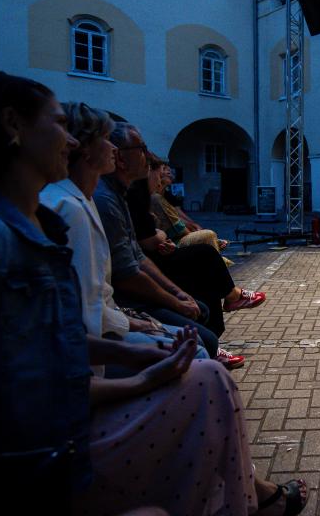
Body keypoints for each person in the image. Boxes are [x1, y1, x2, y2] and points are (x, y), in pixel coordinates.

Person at [0, 71, 307, 516]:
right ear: (13, 125)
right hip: (33, 458)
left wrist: (140, 355)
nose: (70, 141)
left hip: (52, 433)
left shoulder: (27, 221)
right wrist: (139, 374)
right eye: (58, 124)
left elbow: (51, 339)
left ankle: (241, 499)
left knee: (206, 377)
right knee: (207, 384)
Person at [40, 103, 211, 370]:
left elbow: (130, 261)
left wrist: (174, 295)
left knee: (196, 337)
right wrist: (138, 324)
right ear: (84, 150)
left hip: (109, 321)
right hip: (95, 341)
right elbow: (90, 308)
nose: (112, 148)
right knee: (197, 352)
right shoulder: (75, 206)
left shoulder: (90, 199)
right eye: (104, 139)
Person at [95, 123, 262, 370]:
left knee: (204, 265)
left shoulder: (121, 196)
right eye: (142, 149)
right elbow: (131, 266)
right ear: (120, 158)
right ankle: (227, 307)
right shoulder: (110, 200)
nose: (148, 157)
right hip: (126, 298)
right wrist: (174, 300)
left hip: (148, 268)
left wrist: (177, 294)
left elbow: (139, 254)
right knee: (204, 257)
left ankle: (227, 304)